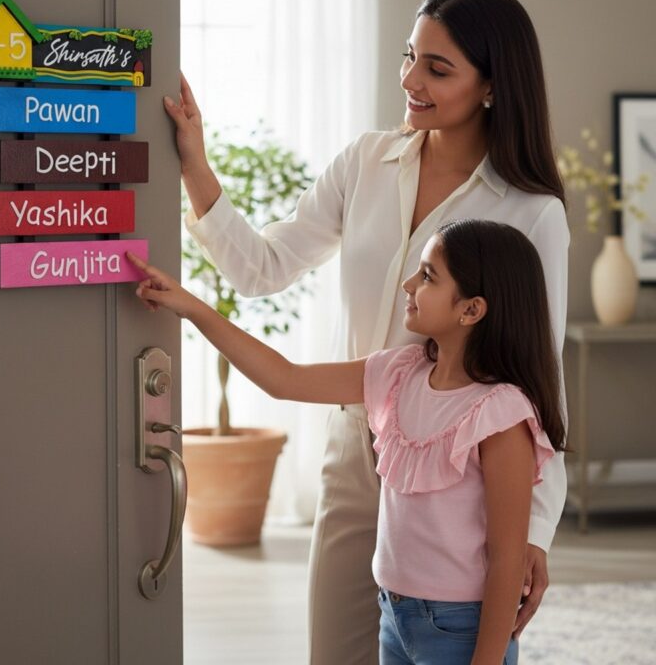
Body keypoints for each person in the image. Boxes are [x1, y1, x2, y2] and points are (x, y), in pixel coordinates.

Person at [164, 0, 569, 664]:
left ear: (494, 86)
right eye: (410, 57)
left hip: (460, 471)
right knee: (337, 651)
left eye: (438, 69)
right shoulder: (365, 163)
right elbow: (262, 267)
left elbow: (538, 377)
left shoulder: (531, 212)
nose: (411, 80)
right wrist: (195, 164)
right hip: (357, 443)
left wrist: (535, 531)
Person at [127, 218, 566, 665]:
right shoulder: (400, 373)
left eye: (429, 275)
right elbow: (285, 379)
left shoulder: (500, 413)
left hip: (458, 630)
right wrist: (191, 307)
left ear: (471, 310)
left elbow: (507, 559)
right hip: (393, 615)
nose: (409, 284)